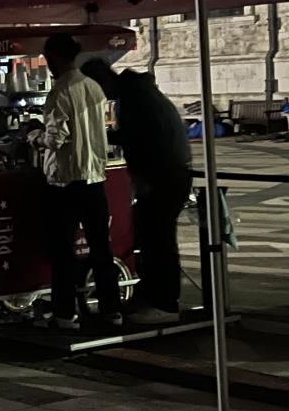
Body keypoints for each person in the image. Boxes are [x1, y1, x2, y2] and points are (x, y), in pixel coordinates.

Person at [82, 59, 190, 323]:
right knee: (152, 238)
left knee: (158, 241)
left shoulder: (134, 97)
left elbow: (141, 137)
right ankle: (154, 298)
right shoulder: (136, 92)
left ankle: (164, 304)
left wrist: (99, 136)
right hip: (167, 173)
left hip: (162, 176)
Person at [39, 33, 121, 329]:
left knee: (63, 250)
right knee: (101, 248)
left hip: (66, 181)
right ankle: (112, 310)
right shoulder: (93, 87)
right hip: (96, 177)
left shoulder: (60, 91)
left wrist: (35, 137)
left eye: (48, 57)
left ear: (56, 57)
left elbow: (56, 137)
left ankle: (65, 314)